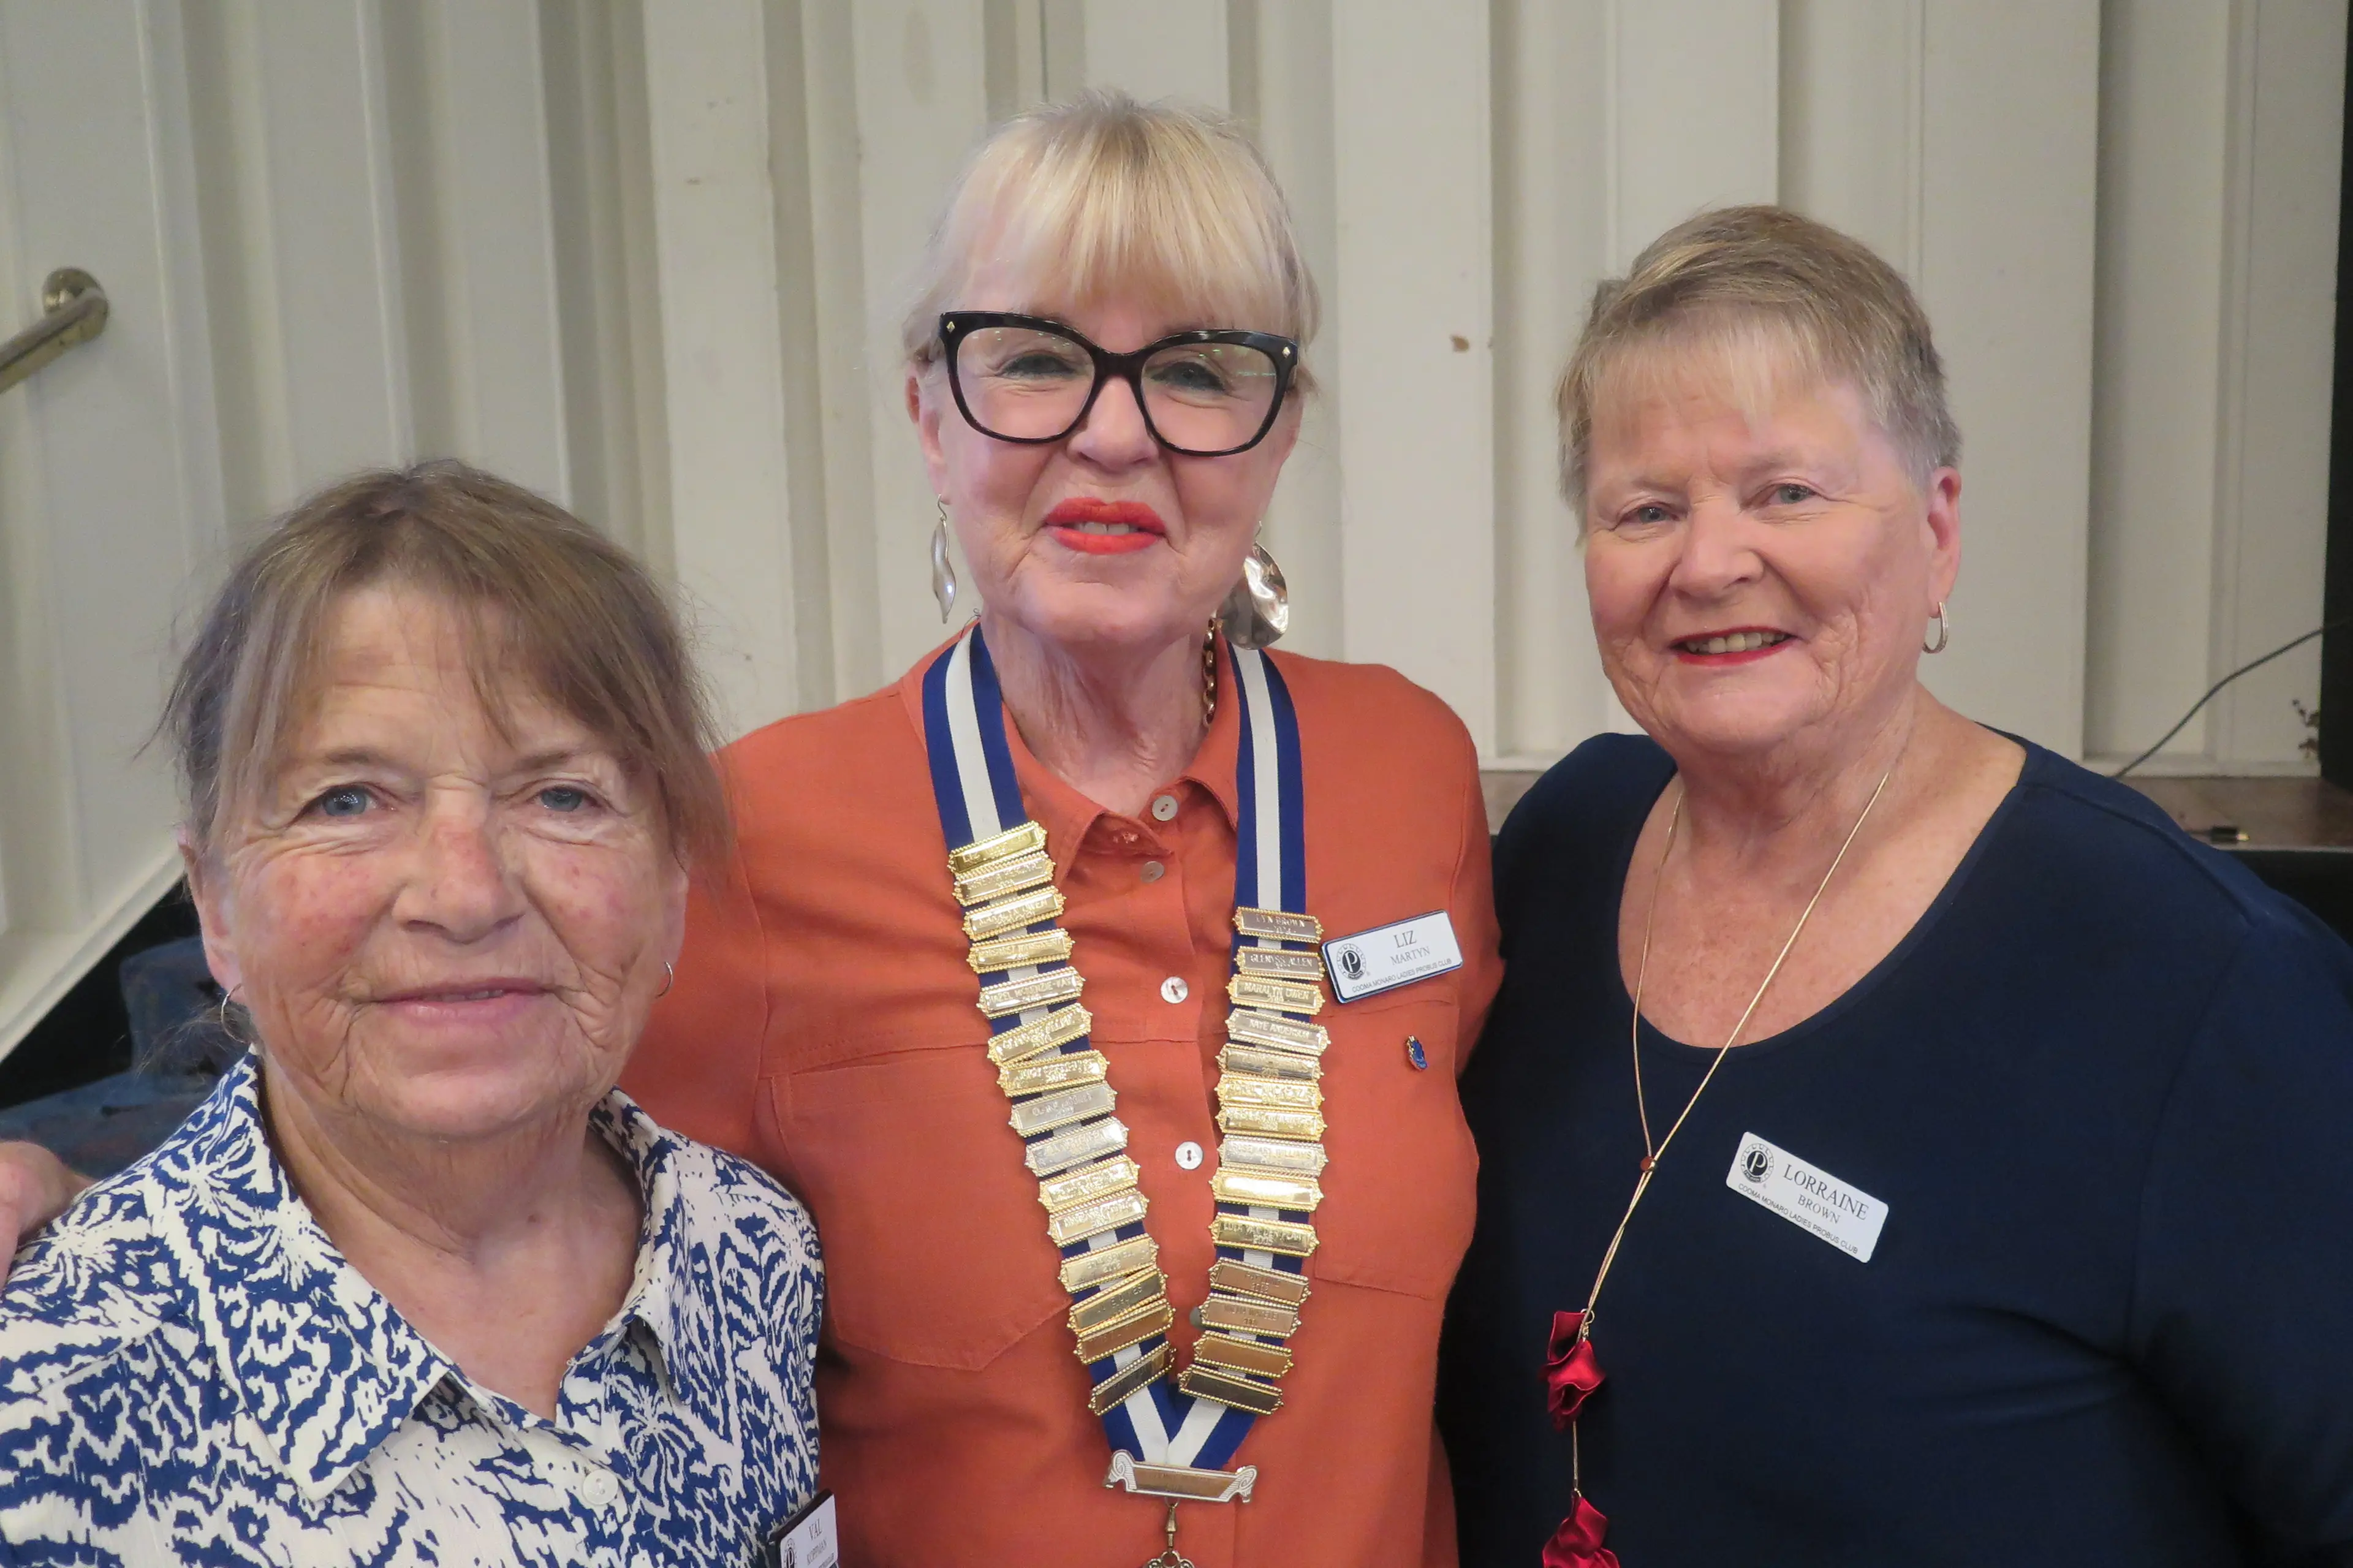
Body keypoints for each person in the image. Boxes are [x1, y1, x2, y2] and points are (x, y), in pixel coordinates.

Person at [626, 91, 1500, 1566]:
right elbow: (553, 1260)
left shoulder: (1408, 771)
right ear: (927, 414)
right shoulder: (749, 840)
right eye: (1034, 361)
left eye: (1199, 369)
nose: (1112, 433)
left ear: (1279, 428)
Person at [1435, 204, 2353, 1567]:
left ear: (1937, 530)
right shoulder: (1565, 848)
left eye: (1785, 492)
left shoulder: (2197, 982)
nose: (1708, 561)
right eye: (1646, 508)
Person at [0, 464, 824, 1564]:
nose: (465, 892)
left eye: (562, 795)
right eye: (347, 800)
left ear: (673, 885)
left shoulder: (754, 1251)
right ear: (216, 906)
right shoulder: (48, 1388)